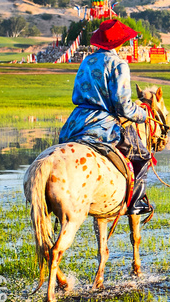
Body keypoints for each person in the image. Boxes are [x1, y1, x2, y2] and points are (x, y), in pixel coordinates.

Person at [58, 19, 154, 218]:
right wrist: (143, 115)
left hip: (74, 122)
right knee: (142, 155)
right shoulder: (119, 64)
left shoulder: (86, 61)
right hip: (102, 125)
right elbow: (123, 105)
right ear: (119, 42)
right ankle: (135, 204)